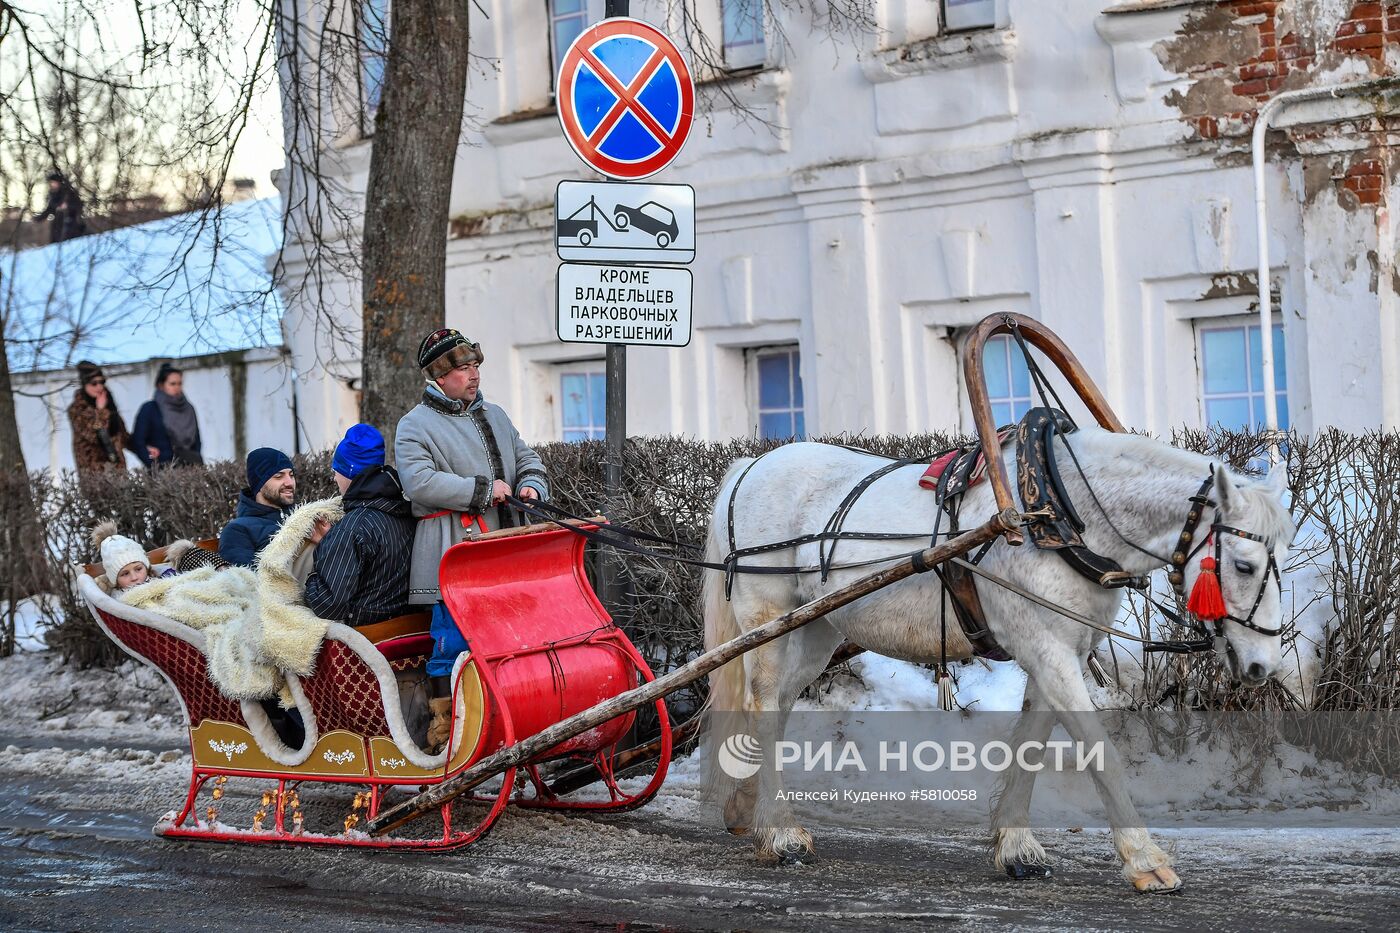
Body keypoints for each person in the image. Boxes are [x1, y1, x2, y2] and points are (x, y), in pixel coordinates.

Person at [396, 329, 549, 749]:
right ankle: (446, 730)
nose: (473, 374)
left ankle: (506, 720)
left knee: (508, 640)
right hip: (451, 550)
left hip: (503, 546)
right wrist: (482, 490)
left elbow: (526, 457)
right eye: (463, 368)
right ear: (439, 376)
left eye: (475, 366)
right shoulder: (414, 425)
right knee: (453, 641)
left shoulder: (496, 414)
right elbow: (419, 482)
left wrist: (531, 485)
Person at [302, 424, 415, 627]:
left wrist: (311, 575)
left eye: (337, 470)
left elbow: (328, 606)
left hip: (367, 641)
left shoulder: (352, 528)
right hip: (412, 634)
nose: (335, 477)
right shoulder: (406, 513)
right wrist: (331, 541)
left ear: (350, 472)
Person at [219, 447, 296, 567]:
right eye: (278, 476)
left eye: (291, 475)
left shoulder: (302, 516)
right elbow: (247, 581)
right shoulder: (238, 530)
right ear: (259, 484)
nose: (289, 483)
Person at [131, 363, 204, 468]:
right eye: (172, 384)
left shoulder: (188, 409)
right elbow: (138, 441)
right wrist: (153, 465)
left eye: (180, 384)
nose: (177, 387)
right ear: (161, 385)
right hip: (163, 470)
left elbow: (196, 440)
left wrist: (195, 462)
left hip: (189, 469)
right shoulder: (150, 409)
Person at [66, 361, 133, 473]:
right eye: (94, 383)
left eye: (102, 382)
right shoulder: (76, 409)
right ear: (85, 384)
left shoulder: (109, 405)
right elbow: (94, 435)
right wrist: (101, 411)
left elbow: (122, 436)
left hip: (117, 472)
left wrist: (144, 448)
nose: (99, 387)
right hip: (94, 474)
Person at [33, 171, 86, 243]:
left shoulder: (68, 193)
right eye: (51, 183)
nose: (52, 184)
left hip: (71, 221)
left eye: (53, 182)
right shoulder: (53, 196)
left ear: (58, 183)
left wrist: (68, 206)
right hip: (58, 223)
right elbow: (49, 210)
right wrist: (38, 218)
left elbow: (78, 204)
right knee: (55, 241)